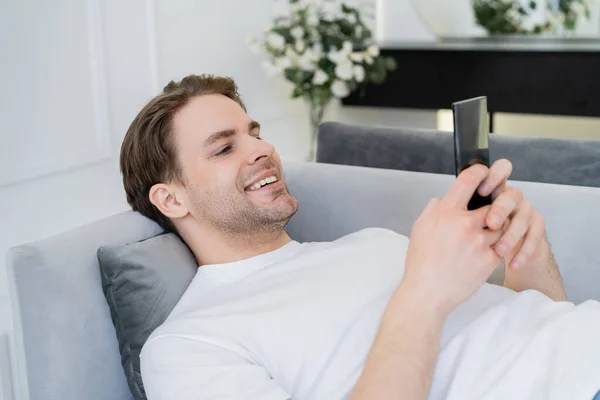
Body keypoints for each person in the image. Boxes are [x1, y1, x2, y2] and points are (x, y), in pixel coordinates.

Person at [120, 74, 600, 400]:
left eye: (255, 133)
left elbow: (537, 327)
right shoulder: (188, 344)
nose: (264, 150)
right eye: (225, 147)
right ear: (171, 200)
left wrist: (527, 252)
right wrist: (423, 293)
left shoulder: (370, 242)